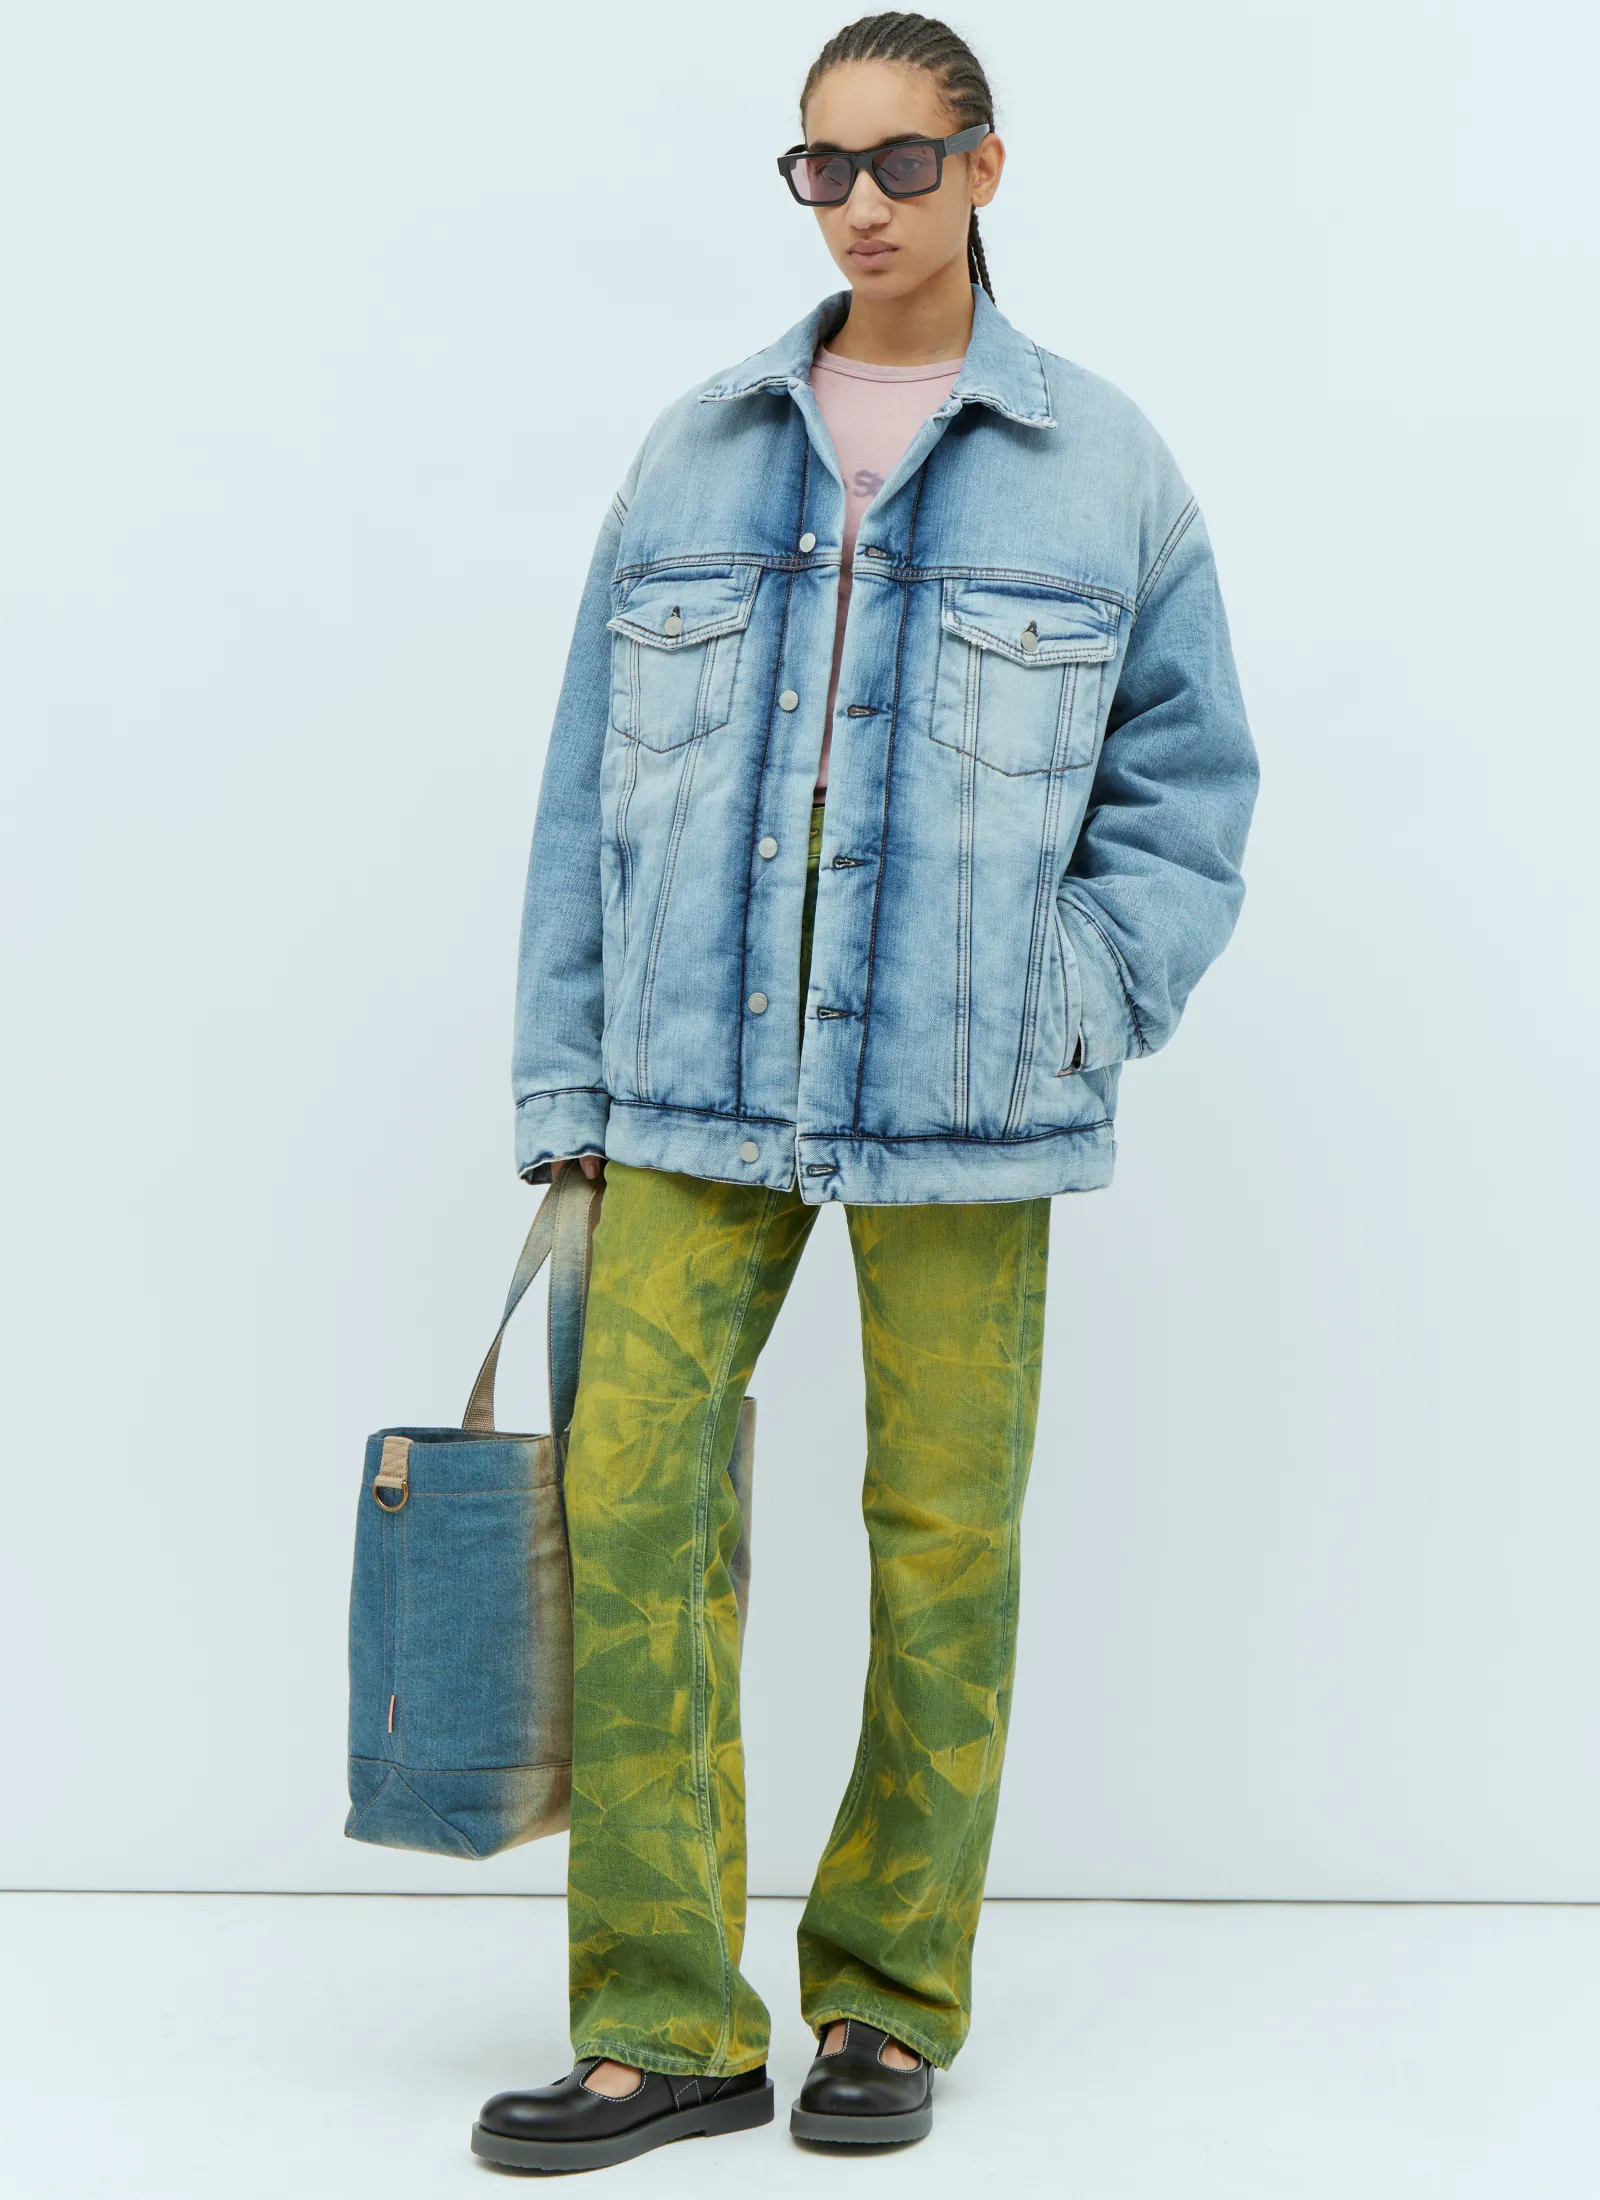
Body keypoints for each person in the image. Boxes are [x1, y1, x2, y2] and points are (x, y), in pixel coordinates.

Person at [471, 10, 1258, 2174]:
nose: (863, 204)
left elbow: (1188, 792)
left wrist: (1072, 996)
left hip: (964, 1098)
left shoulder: (1102, 465)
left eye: (905, 160)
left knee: (943, 1542)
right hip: (686, 1084)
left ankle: (887, 2002)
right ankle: (659, 2022)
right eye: (823, 166)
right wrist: (568, 1078)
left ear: (987, 168)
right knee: (633, 1510)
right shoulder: (695, 448)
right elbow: (581, 785)